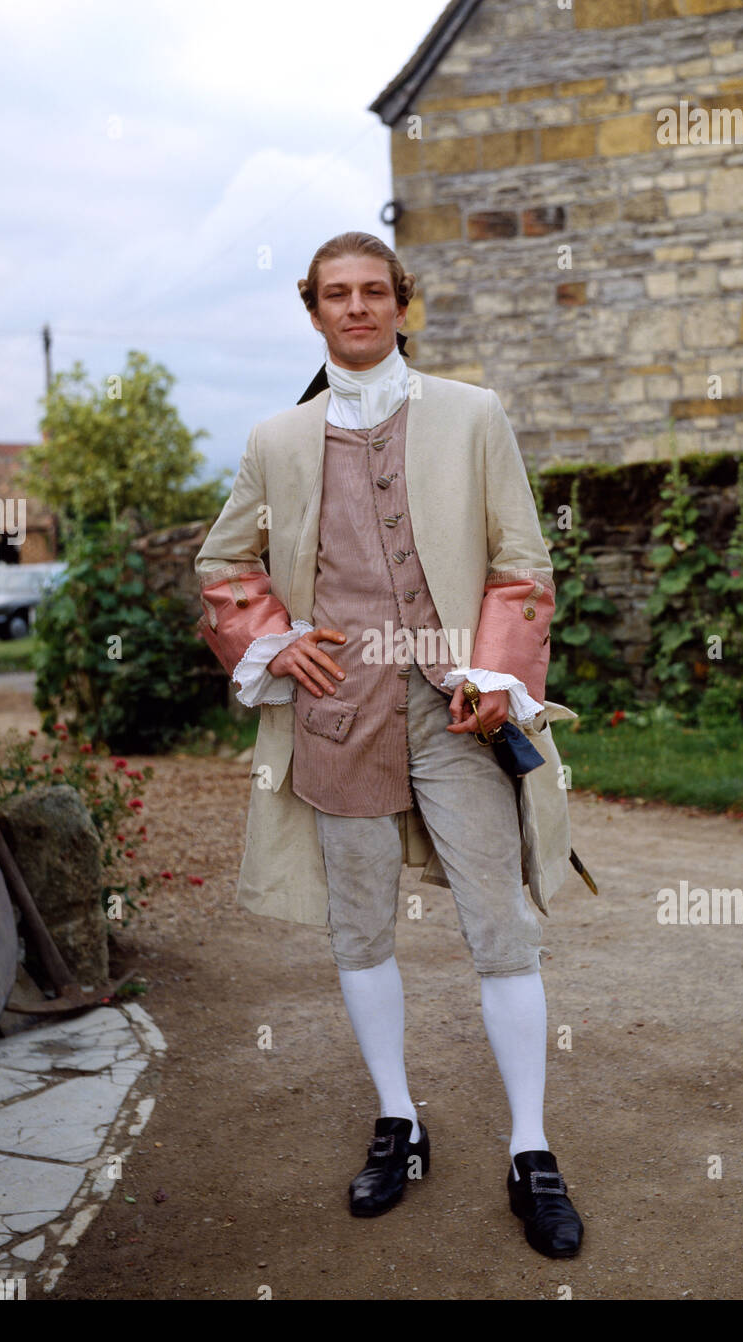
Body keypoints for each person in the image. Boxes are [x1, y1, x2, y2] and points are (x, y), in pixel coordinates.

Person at [193, 231, 583, 1258]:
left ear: (402, 304)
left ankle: (530, 1150)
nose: (356, 308)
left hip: (458, 709)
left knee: (499, 924)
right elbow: (223, 565)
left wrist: (496, 677)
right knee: (360, 929)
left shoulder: (472, 415)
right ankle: (399, 1121)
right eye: (336, 294)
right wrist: (276, 642)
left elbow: (521, 560)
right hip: (340, 714)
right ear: (312, 310)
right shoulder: (278, 439)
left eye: (374, 292)